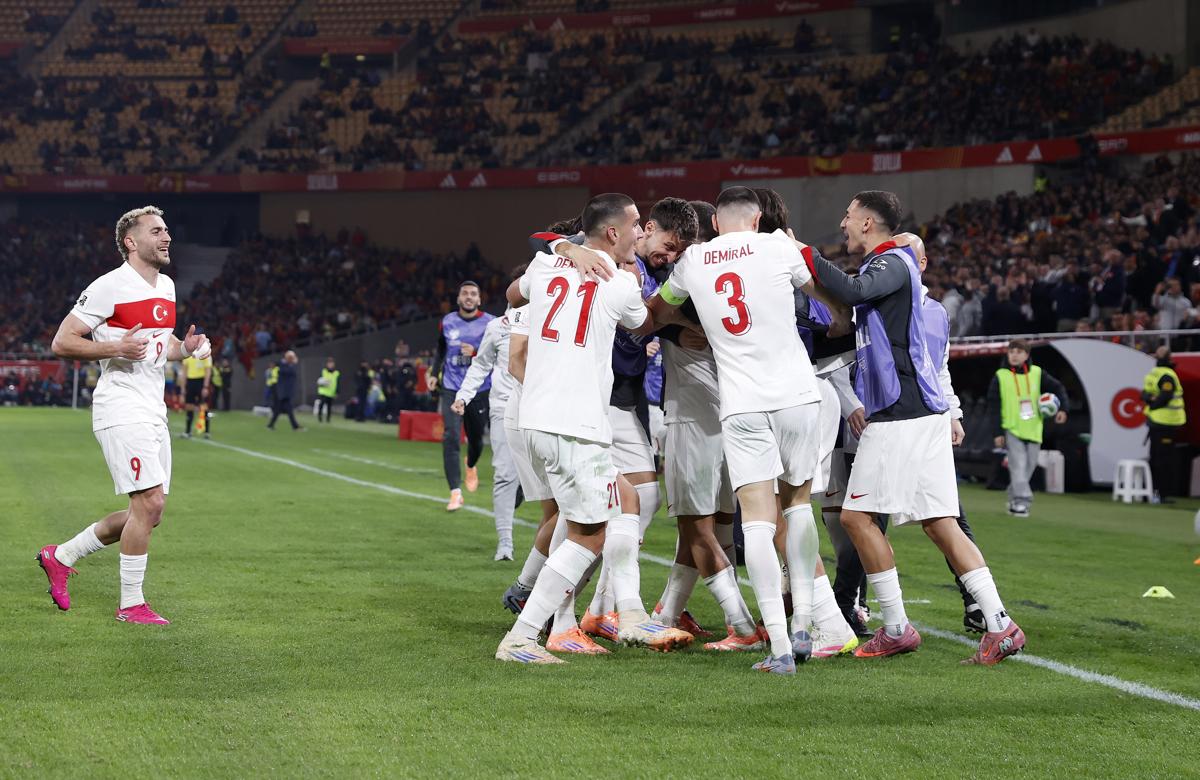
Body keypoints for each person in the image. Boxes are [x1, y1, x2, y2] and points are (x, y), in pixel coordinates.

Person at [805, 190, 1024, 666]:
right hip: (924, 413)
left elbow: (854, 293)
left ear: (868, 222)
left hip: (899, 413)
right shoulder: (892, 273)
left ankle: (896, 628)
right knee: (941, 523)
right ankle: (1000, 624)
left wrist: (803, 253)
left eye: (848, 216)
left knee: (856, 518)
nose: (843, 224)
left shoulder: (892, 262)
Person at [650, 186, 845, 674]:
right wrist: (841, 315)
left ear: (716, 223)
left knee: (757, 521)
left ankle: (778, 646)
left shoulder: (694, 261)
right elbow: (823, 292)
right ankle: (804, 624)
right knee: (796, 507)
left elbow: (655, 311)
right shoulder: (780, 246)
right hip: (798, 396)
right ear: (757, 220)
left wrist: (682, 324)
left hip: (742, 405)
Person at [496, 193, 689, 663]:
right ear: (613, 232)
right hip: (575, 422)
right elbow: (644, 322)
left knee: (625, 498)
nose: (641, 232)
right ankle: (523, 636)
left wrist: (564, 249)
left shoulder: (545, 266)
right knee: (587, 535)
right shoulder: (620, 284)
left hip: (539, 417)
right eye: (636, 224)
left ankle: (630, 613)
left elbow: (513, 294)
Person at [38, 205, 211, 625]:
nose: (167, 236)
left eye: (167, 229)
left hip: (153, 409)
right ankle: (131, 605)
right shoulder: (108, 286)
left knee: (150, 513)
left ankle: (61, 556)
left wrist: (185, 349)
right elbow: (62, 342)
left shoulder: (166, 286)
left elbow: (161, 345)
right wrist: (115, 346)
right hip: (120, 405)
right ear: (131, 242)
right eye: (157, 231)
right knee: (148, 502)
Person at [453, 266, 527, 560]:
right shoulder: (498, 327)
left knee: (546, 477)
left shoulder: (548, 322)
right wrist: (463, 395)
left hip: (539, 409)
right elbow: (481, 364)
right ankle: (505, 543)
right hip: (503, 407)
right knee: (505, 474)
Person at [985, 338, 1069, 517]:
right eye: (1011, 352)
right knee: (1018, 466)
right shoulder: (1001, 376)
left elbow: (1058, 388)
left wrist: (1063, 408)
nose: (1014, 355)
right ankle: (1022, 502)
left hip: (1034, 429)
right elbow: (993, 407)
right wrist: (997, 432)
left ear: (1027, 355)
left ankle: (1013, 498)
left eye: (1019, 352)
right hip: (1011, 428)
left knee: (1027, 469)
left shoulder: (1037, 373)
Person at [432, 282, 494, 511]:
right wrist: (433, 373)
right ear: (458, 298)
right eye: (465, 293)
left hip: (480, 388)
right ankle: (455, 493)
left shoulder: (491, 323)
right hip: (451, 387)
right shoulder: (447, 321)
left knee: (476, 439)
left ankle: (471, 463)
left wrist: (476, 353)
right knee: (450, 436)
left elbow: (500, 354)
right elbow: (441, 349)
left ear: (479, 300)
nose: (469, 297)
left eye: (473, 294)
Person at [1142, 345, 1187, 502]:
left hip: (1155, 422)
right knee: (1164, 460)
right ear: (1170, 358)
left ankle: (1153, 493)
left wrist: (1151, 402)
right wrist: (1154, 404)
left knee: (1155, 458)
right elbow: (1165, 396)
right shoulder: (1168, 375)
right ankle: (1161, 494)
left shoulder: (1154, 373)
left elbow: (1145, 394)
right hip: (1166, 422)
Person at [181, 340, 212, 438]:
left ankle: (207, 431)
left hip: (201, 381)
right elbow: (184, 372)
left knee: (204, 406)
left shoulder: (205, 354)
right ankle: (188, 431)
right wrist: (183, 387)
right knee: (189, 406)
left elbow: (208, 371)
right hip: (190, 382)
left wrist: (205, 386)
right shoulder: (188, 355)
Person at [268, 351, 303, 431]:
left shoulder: (286, 365)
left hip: (285, 392)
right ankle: (295, 427)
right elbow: (289, 372)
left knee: (279, 410)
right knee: (288, 410)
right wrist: (293, 364)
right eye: (292, 358)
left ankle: (270, 425)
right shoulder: (282, 366)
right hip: (282, 392)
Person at [315, 357, 339, 423]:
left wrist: (337, 392)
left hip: (331, 392)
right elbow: (319, 380)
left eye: (332, 363)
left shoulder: (336, 373)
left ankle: (328, 419)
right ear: (327, 364)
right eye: (329, 363)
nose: (330, 365)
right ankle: (320, 416)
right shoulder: (324, 371)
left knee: (329, 406)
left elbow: (338, 383)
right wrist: (323, 383)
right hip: (323, 392)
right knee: (322, 404)